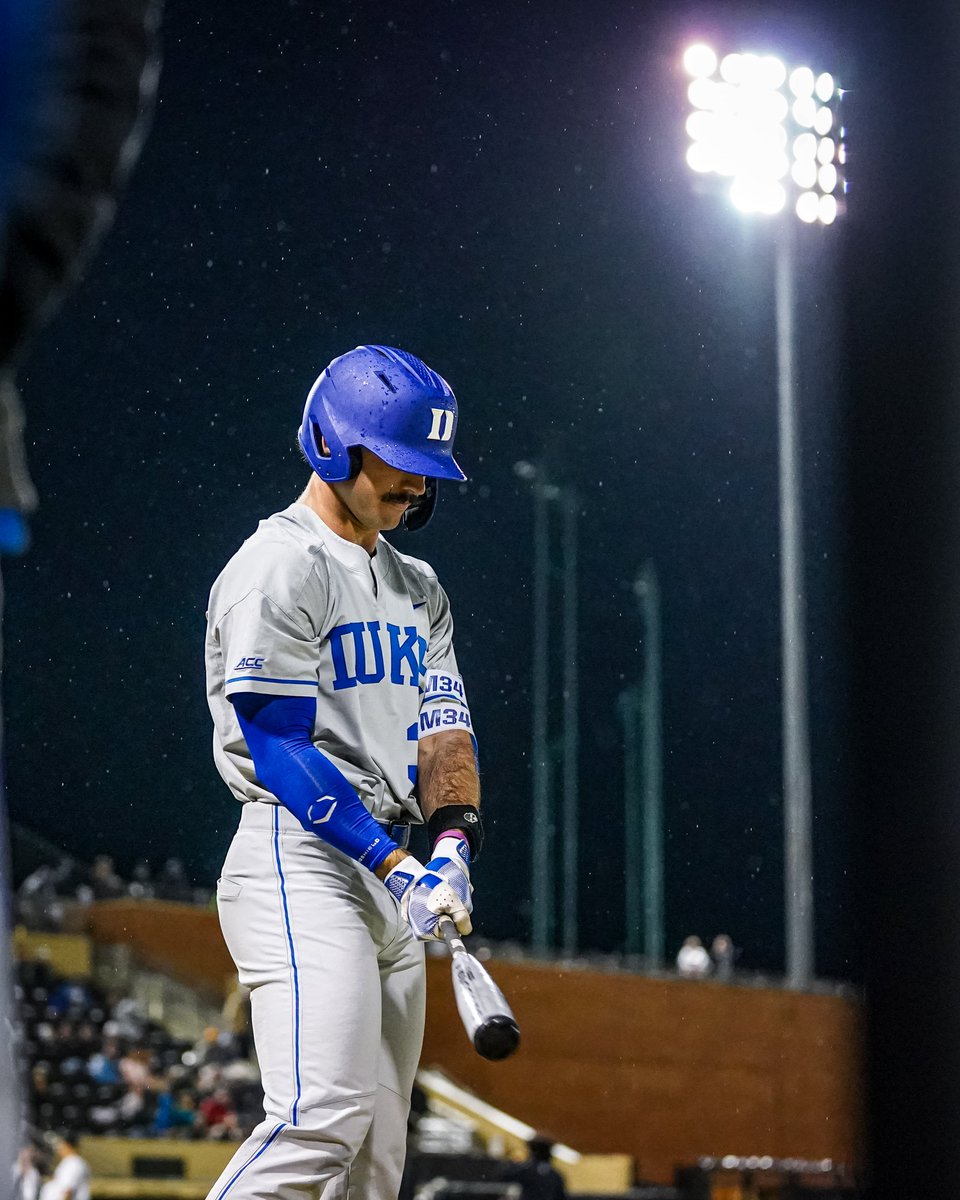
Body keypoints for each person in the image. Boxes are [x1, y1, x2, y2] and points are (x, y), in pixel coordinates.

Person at [203, 345, 482, 1200]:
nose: (417, 486)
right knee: (318, 1118)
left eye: (427, 468)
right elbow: (280, 747)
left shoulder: (419, 586)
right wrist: (394, 864)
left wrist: (451, 848)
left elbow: (445, 733)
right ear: (332, 443)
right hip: (303, 858)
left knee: (374, 1164)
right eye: (399, 462)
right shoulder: (277, 565)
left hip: (391, 873)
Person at [38, 1134, 90, 1200]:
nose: (58, 1147)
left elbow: (68, 1191)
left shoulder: (74, 1164)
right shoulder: (69, 1162)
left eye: (60, 1144)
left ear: (67, 1145)